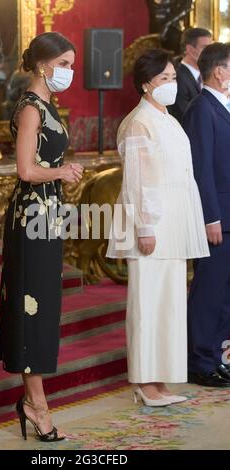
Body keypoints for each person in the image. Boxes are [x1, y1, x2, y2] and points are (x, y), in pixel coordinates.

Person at [0, 32, 84, 441]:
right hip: (31, 216)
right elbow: (25, 171)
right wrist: (62, 172)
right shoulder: (30, 107)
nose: (70, 72)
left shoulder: (47, 105)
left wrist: (63, 171)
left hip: (47, 217)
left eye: (71, 64)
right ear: (44, 65)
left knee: (45, 308)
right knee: (33, 308)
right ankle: (36, 406)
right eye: (64, 64)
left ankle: (35, 402)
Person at [106, 49, 209, 406]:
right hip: (152, 224)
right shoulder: (138, 122)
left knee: (169, 302)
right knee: (148, 302)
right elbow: (138, 180)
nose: (172, 84)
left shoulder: (167, 118)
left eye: (173, 77)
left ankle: (161, 380)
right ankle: (144, 381)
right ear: (147, 82)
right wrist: (145, 226)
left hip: (174, 223)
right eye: (165, 78)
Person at [183, 42, 230, 387]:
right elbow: (201, 168)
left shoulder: (222, 106)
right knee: (209, 290)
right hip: (218, 219)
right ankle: (199, 361)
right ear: (220, 71)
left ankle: (215, 355)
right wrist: (209, 217)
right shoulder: (202, 108)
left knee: (225, 292)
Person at [168, 27, 212, 122]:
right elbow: (185, 116)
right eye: (205, 48)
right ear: (190, 49)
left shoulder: (210, 74)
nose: (210, 53)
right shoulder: (176, 77)